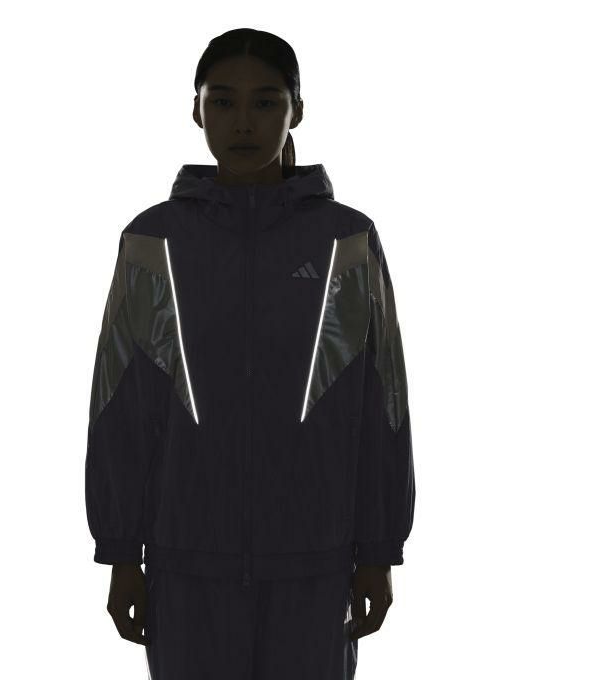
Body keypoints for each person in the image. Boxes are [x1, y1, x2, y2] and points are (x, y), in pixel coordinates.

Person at [84, 27, 416, 680]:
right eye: (223, 101)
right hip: (185, 568)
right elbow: (119, 406)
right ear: (196, 109)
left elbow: (383, 402)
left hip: (315, 569)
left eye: (265, 102)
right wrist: (121, 552)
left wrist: (379, 549)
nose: (243, 122)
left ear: (297, 109)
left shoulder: (347, 243)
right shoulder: (153, 243)